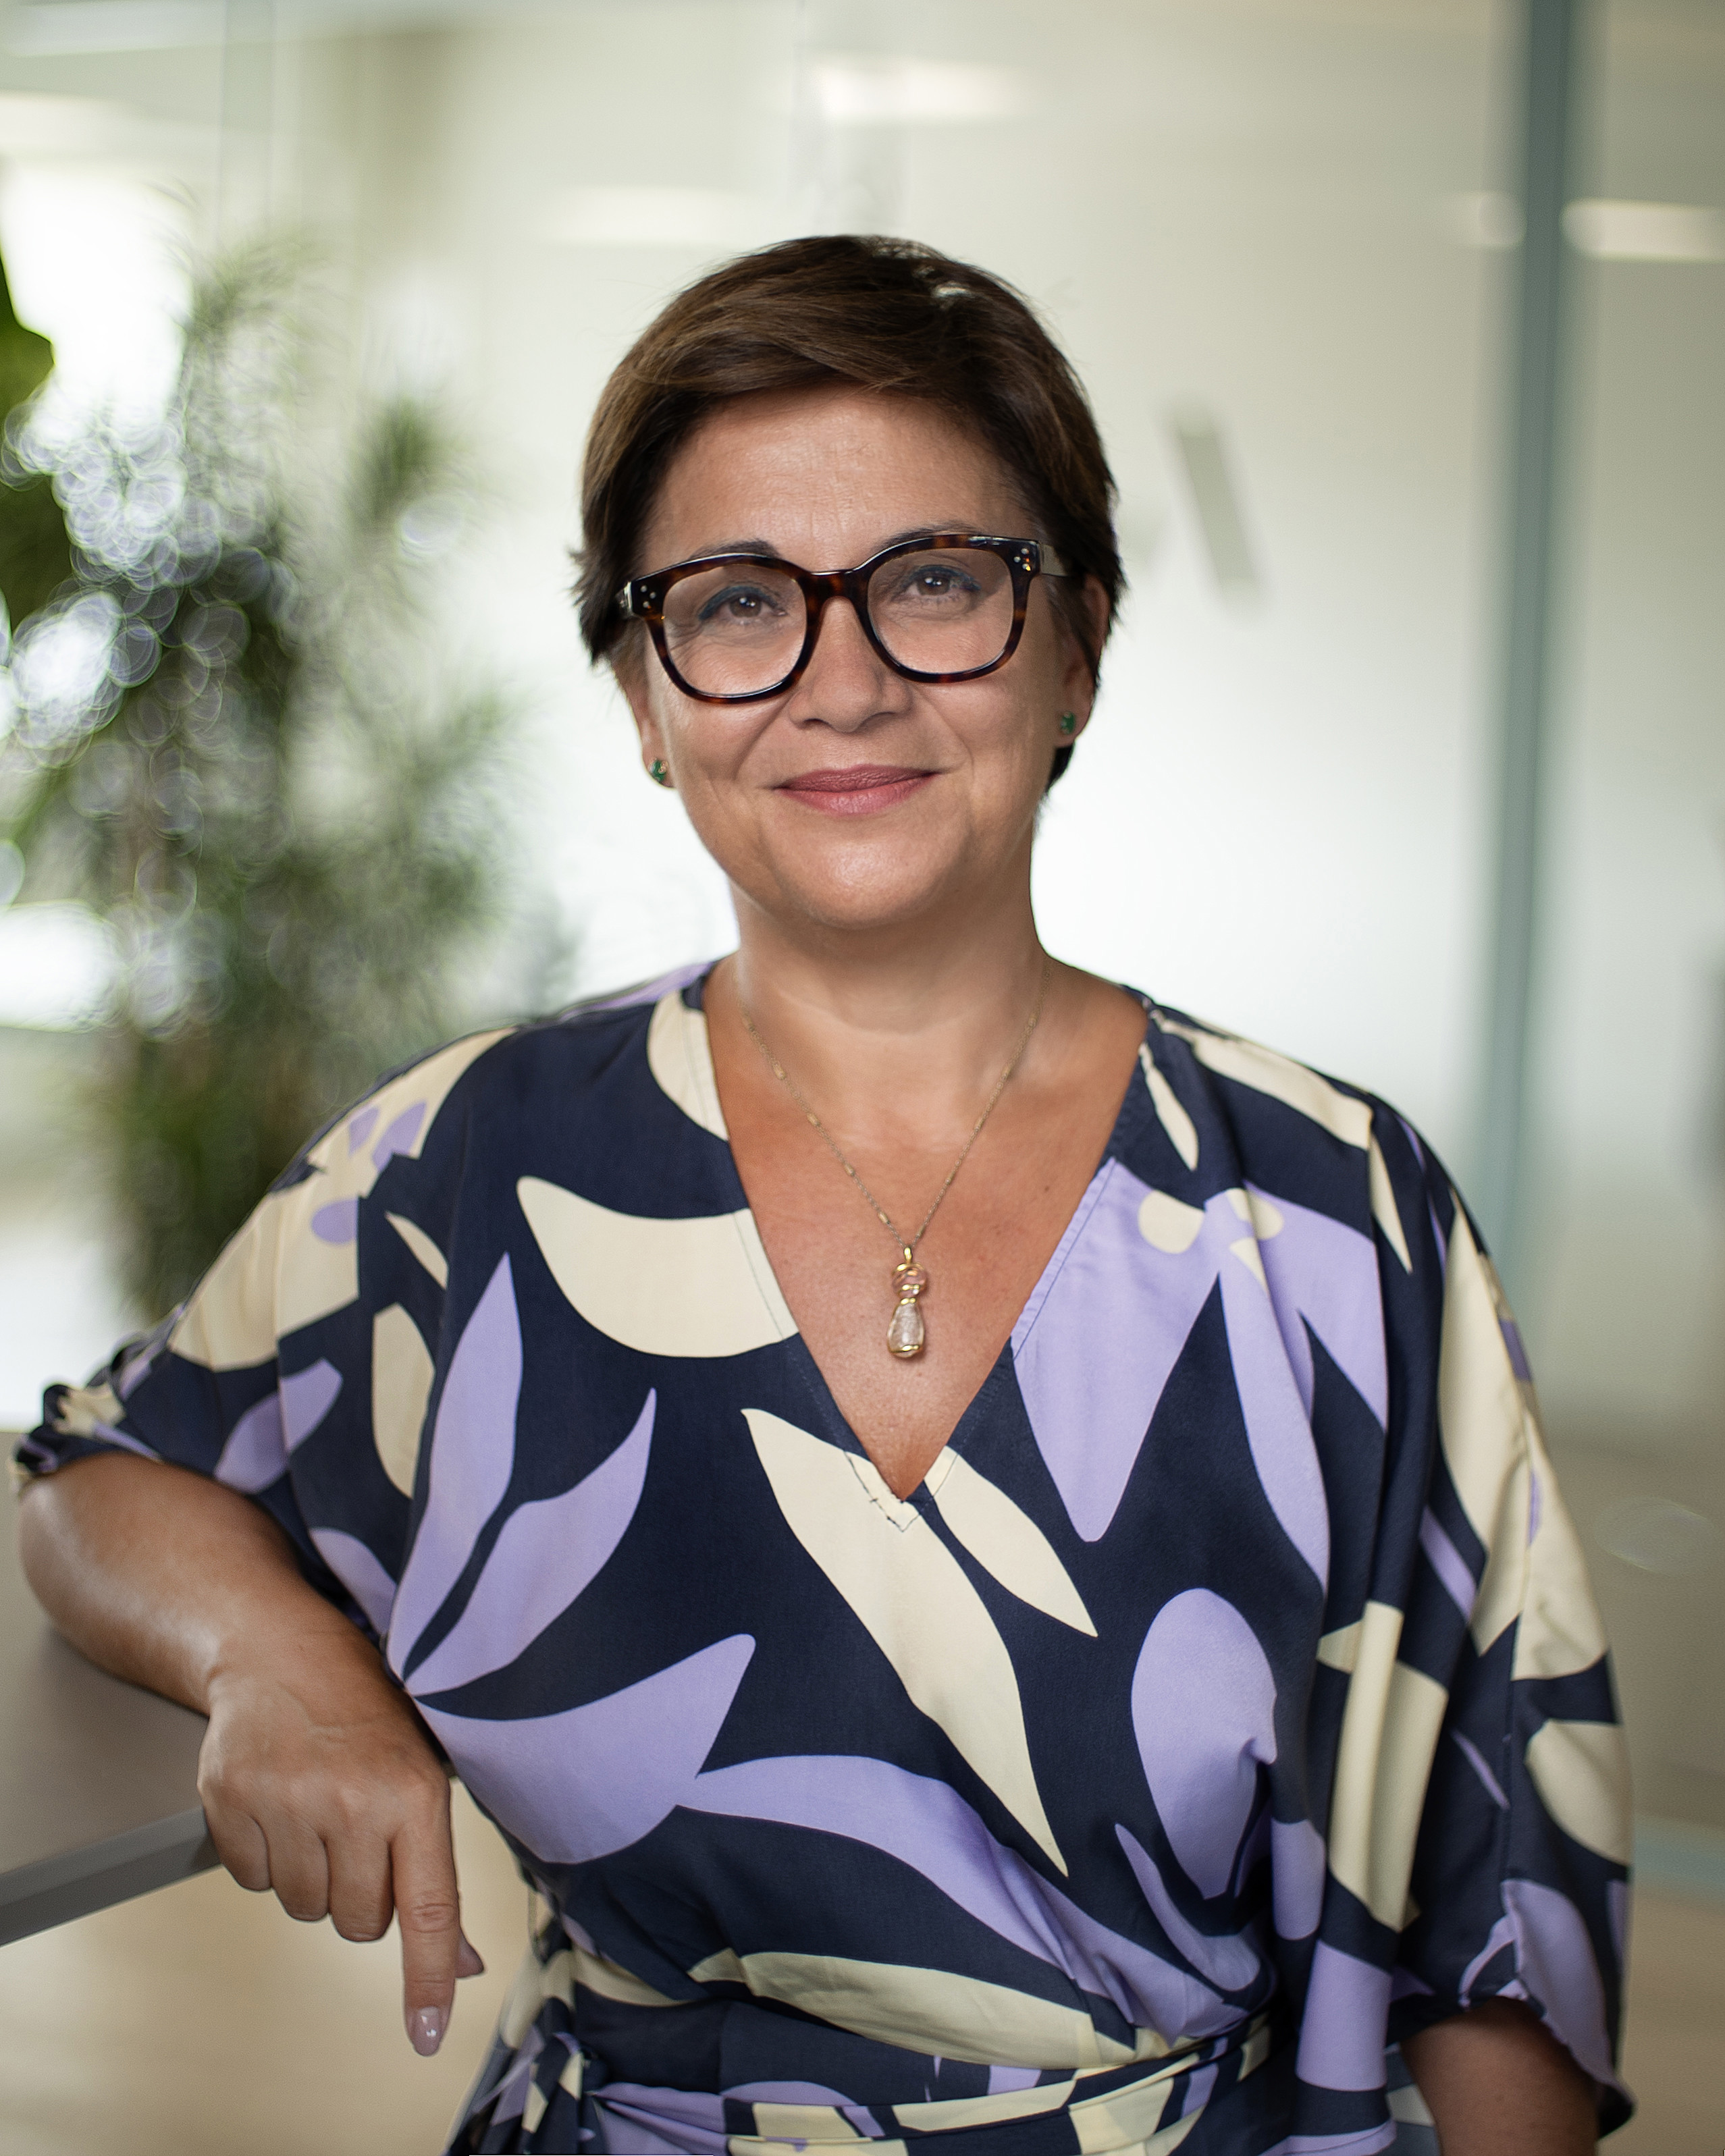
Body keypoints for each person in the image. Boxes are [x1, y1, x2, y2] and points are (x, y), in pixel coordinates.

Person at [16, 236, 1630, 2155]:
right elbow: (104, 1472)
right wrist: (275, 1660)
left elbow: (1499, 1914)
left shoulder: (1330, 1217)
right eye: (734, 602)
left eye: (934, 580)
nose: (841, 683)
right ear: (644, 692)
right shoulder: (477, 1167)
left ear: (1076, 642)